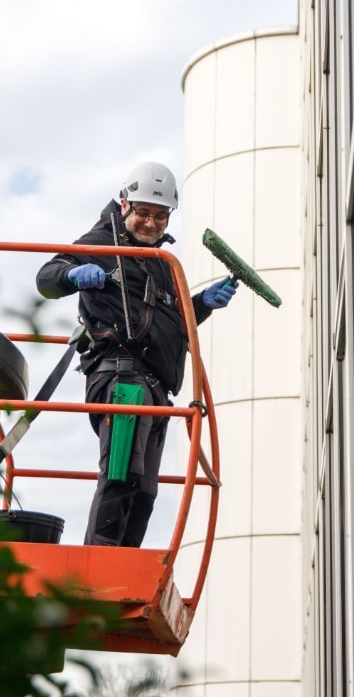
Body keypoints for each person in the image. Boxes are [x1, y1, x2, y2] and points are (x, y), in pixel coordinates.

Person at [36, 161, 237, 548]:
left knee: (144, 493)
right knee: (121, 475)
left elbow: (168, 325)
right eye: (143, 212)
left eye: (161, 216)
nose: (151, 223)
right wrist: (72, 275)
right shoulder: (101, 243)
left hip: (157, 389)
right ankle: (98, 564)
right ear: (124, 202)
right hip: (122, 379)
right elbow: (46, 277)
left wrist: (201, 305)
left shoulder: (160, 264)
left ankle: (126, 566)